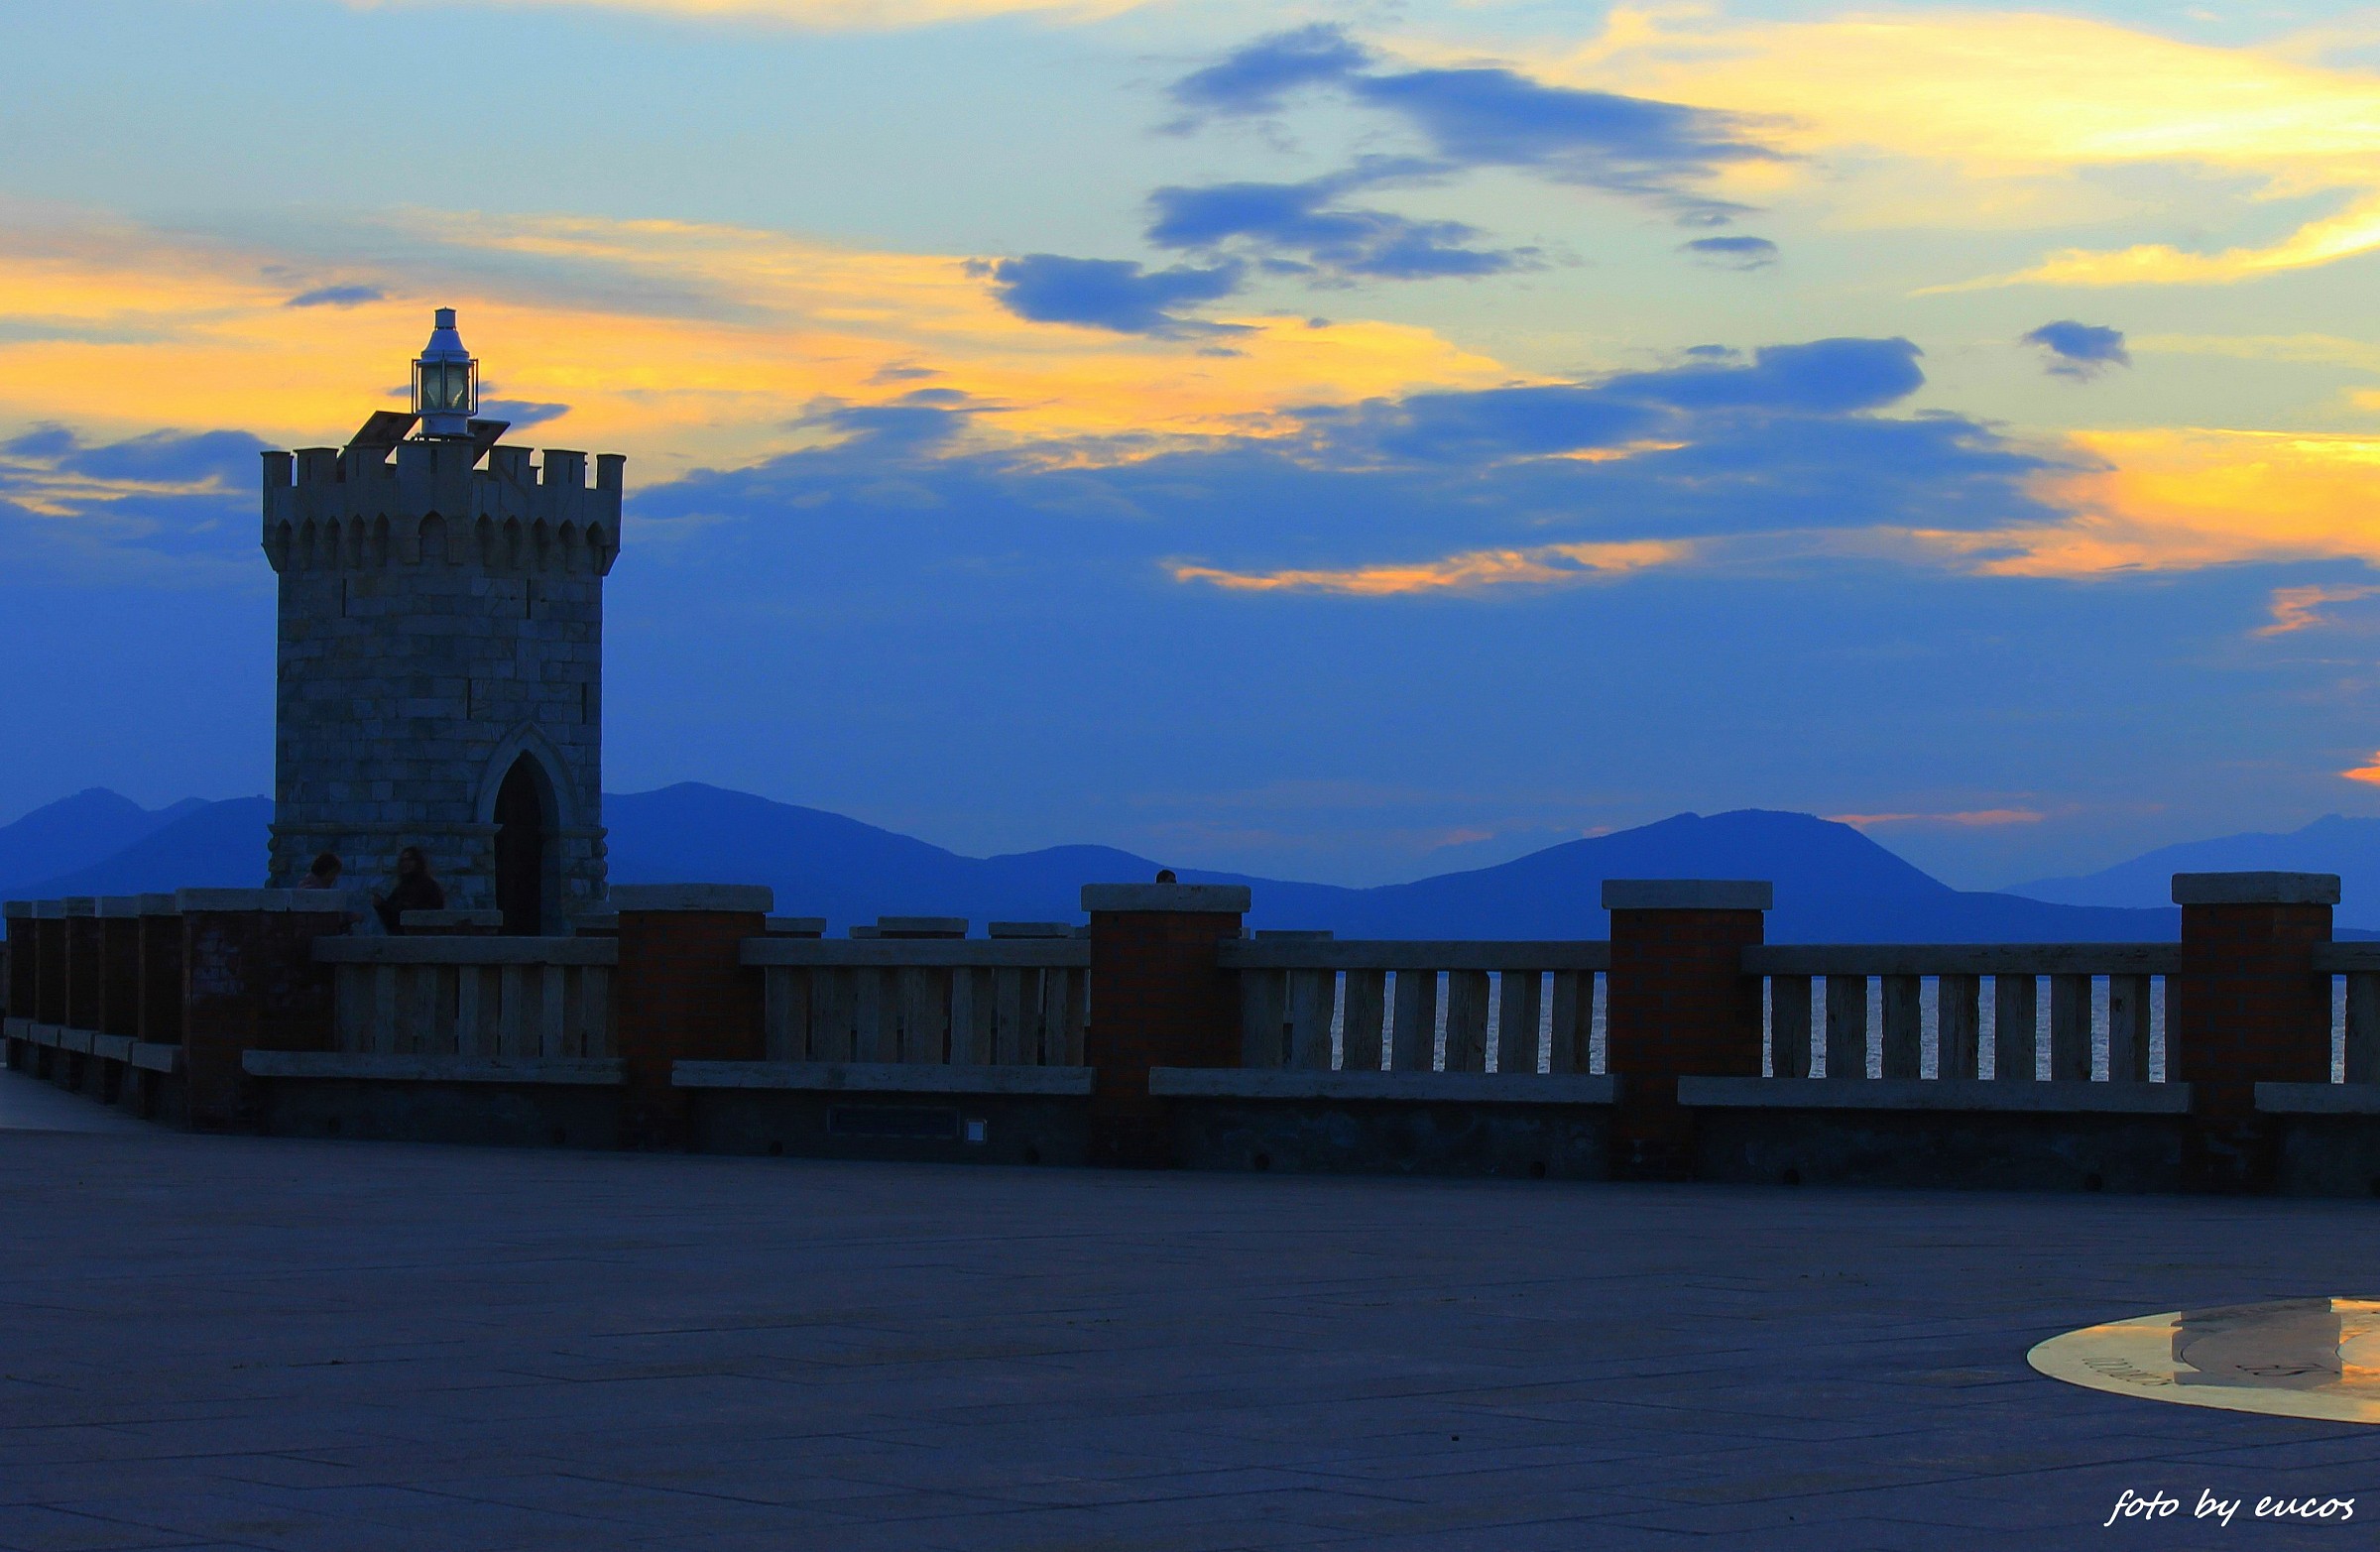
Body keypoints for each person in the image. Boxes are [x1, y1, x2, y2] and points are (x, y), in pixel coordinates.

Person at [372, 847, 446, 933]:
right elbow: (391, 919)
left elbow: (434, 913)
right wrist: (380, 905)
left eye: (409, 860)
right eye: (403, 860)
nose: (405, 863)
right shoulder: (400, 889)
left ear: (418, 862)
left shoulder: (429, 886)